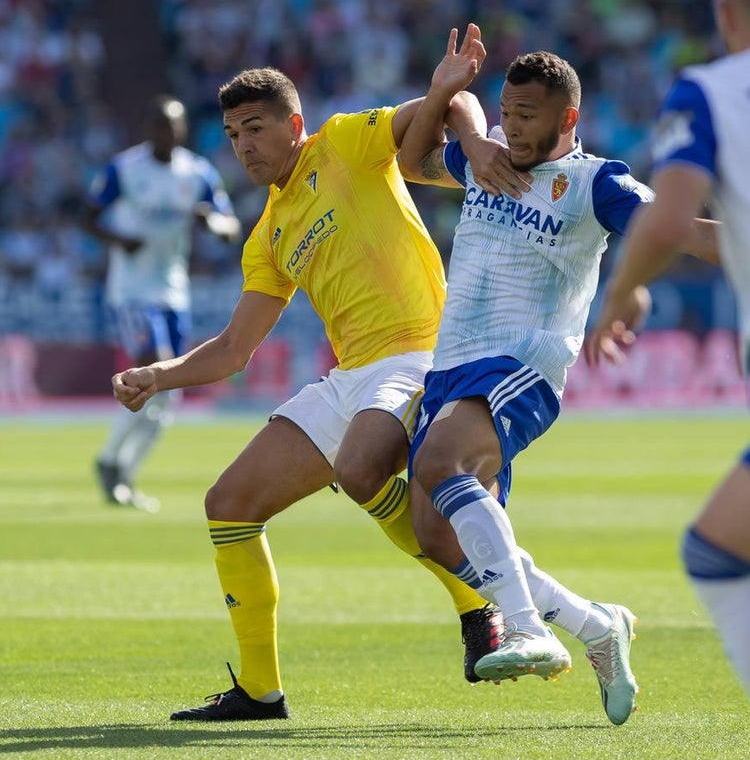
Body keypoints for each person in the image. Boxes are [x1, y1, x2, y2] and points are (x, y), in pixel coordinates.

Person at [113, 42, 526, 720]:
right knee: (230, 502)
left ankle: (473, 597)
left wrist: (476, 141)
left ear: (294, 124)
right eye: (233, 135)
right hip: (353, 376)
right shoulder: (268, 234)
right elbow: (233, 349)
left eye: (256, 128)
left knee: (361, 468)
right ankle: (259, 690)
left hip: (421, 353)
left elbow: (450, 102)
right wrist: (158, 375)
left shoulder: (342, 144)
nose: (243, 146)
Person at [398, 28, 719, 725]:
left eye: (528, 118)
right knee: (436, 533)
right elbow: (412, 156)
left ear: (567, 118)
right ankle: (597, 624)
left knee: (439, 459)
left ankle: (527, 627)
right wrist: (450, 98)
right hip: (453, 364)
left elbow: (678, 228)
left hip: (522, 363)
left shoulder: (594, 182)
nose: (512, 128)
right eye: (507, 115)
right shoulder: (485, 161)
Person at [587, 0, 750, 698]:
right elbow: (706, 232)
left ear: (725, 12)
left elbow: (667, 220)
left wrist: (621, 293)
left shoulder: (713, 92)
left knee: (715, 552)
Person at [84, 95, 241, 512]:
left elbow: (229, 225)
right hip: (133, 289)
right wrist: (120, 241)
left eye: (171, 126)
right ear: (147, 130)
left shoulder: (196, 172)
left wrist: (213, 223)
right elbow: (87, 215)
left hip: (174, 289)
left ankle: (123, 470)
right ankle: (107, 462)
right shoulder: (125, 169)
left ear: (182, 130)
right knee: (156, 363)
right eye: (157, 126)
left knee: (168, 394)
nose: (164, 134)